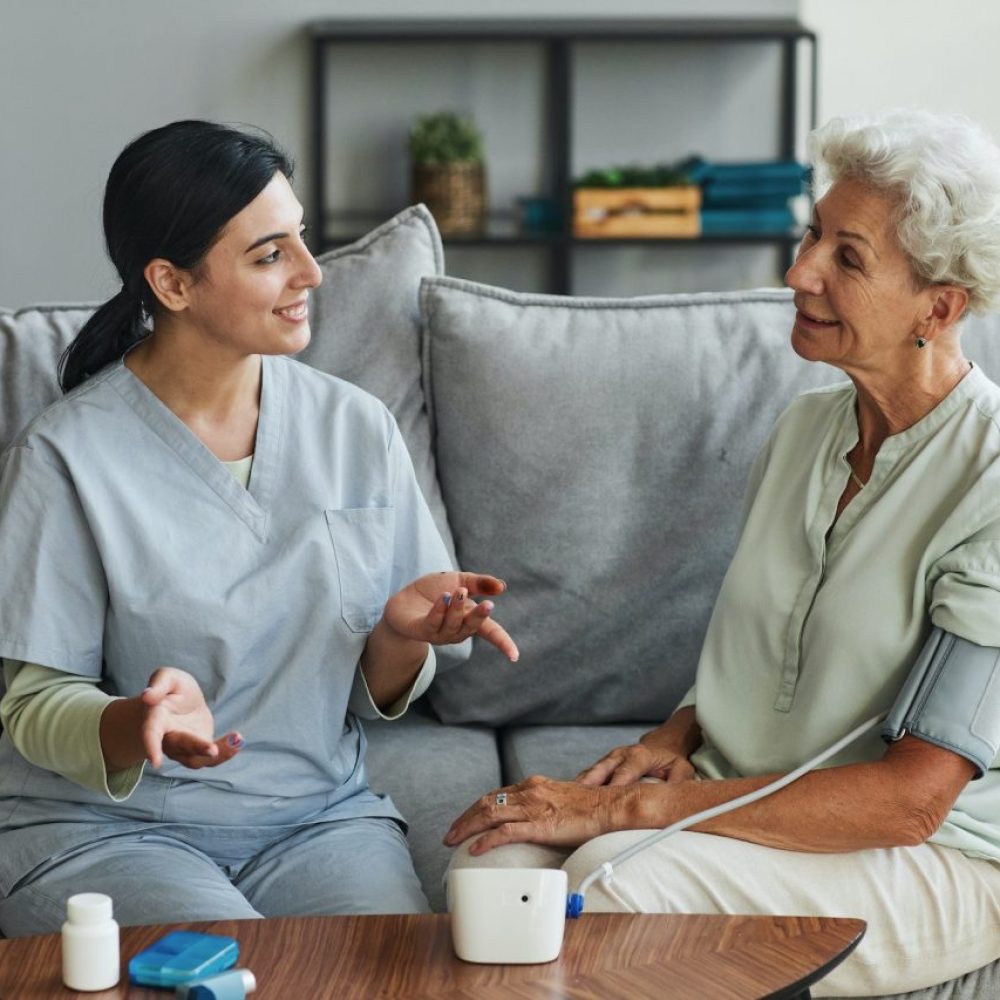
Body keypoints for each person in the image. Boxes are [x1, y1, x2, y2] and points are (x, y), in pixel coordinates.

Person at [444, 108, 1000, 997]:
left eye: (846, 259)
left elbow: (912, 800)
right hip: (740, 795)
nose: (799, 271)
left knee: (613, 883)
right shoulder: (805, 431)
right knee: (489, 870)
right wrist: (677, 733)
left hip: (933, 858)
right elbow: (771, 643)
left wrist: (631, 808)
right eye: (812, 234)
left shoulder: (993, 481)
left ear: (938, 306)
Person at [0, 120, 518, 938]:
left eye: (302, 239)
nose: (312, 273)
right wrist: (140, 724)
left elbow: (364, 688)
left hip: (318, 823)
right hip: (109, 833)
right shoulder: (65, 456)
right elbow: (32, 706)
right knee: (232, 977)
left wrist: (401, 633)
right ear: (172, 284)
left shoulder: (356, 427)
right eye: (270, 254)